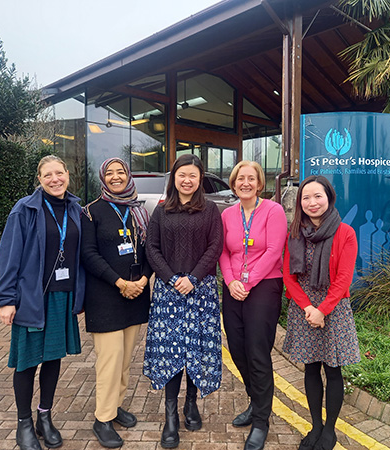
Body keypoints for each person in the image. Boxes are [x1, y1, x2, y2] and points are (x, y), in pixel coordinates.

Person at [0, 155, 84, 450]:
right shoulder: (25, 209)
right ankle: (23, 423)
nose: (55, 179)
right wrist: (5, 300)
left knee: (53, 358)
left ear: (68, 174)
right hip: (32, 299)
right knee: (27, 363)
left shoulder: (76, 208)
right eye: (47, 175)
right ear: (39, 180)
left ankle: (45, 416)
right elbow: (8, 256)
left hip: (62, 295)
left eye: (59, 173)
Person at [144, 154, 223, 449]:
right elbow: (151, 247)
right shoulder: (162, 211)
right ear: (174, 178)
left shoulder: (211, 210)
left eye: (193, 175)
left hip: (200, 292)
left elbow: (216, 246)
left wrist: (194, 278)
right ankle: (170, 417)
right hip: (169, 292)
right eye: (182, 175)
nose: (187, 180)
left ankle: (192, 404)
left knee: (196, 350)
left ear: (200, 179)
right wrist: (170, 278)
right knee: (171, 352)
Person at [282, 176, 360, 450]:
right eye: (306, 198)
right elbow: (288, 276)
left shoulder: (345, 233)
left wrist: (323, 310)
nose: (312, 202)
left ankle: (330, 430)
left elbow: (343, 279)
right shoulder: (294, 234)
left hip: (334, 309)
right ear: (300, 203)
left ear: (329, 198)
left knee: (333, 369)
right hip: (304, 309)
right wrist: (307, 308)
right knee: (311, 369)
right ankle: (315, 425)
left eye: (318, 196)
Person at [80, 157, 152, 448]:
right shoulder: (90, 212)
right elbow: (89, 254)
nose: (115, 177)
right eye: (109, 173)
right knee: (109, 361)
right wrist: (120, 283)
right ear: (103, 179)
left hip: (136, 295)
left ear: (128, 175)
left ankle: (116, 405)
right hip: (106, 296)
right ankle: (103, 418)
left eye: (120, 172)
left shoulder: (139, 211)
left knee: (124, 360)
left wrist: (144, 280)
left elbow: (150, 250)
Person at [219, 161, 288, 450]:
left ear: (260, 183)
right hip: (233, 286)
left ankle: (261, 420)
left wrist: (247, 283)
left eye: (251, 178)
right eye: (240, 179)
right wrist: (232, 280)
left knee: (257, 352)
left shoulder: (273, 210)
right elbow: (222, 250)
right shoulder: (227, 214)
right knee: (237, 348)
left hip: (264, 285)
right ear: (233, 184)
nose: (245, 183)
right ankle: (255, 400)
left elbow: (275, 250)